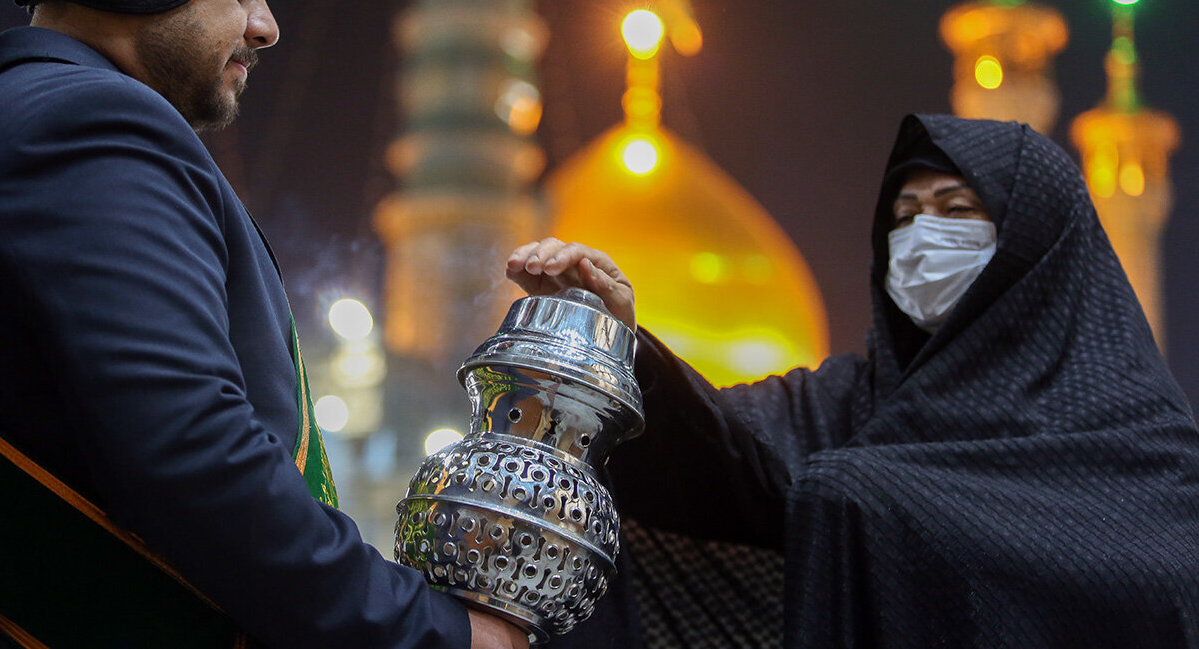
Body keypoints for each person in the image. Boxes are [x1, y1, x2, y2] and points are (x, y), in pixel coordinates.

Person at [0, 0, 527, 648]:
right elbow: (195, 456)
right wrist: (439, 634)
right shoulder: (92, 126)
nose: (267, 26)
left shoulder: (34, 113)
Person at [507, 113, 1199, 648]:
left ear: (1037, 239)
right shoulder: (858, 398)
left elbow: (1153, 589)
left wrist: (887, 502)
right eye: (904, 217)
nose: (923, 238)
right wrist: (619, 345)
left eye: (958, 211)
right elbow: (715, 455)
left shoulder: (1127, 427)